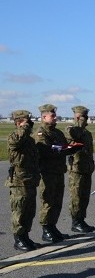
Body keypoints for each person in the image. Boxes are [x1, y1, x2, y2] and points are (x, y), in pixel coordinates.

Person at [34, 104, 79, 242]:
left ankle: (53, 227)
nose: (55, 118)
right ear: (44, 117)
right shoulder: (41, 133)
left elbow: (64, 147)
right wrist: (63, 149)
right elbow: (46, 150)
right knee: (48, 201)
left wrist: (71, 148)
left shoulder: (58, 133)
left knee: (57, 201)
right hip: (47, 172)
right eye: (52, 116)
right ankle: (46, 229)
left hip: (59, 171)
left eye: (55, 115)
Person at [6, 110, 41, 251]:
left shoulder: (29, 140)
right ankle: (18, 239)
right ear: (19, 122)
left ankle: (25, 236)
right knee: (19, 211)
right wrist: (24, 127)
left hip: (30, 179)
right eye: (27, 122)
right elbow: (15, 141)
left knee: (29, 211)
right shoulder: (14, 137)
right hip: (19, 181)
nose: (30, 125)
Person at [66, 105, 95, 233]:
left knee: (84, 196)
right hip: (76, 169)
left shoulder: (87, 133)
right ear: (78, 117)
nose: (86, 119)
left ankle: (81, 219)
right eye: (84, 116)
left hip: (86, 168)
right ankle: (75, 221)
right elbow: (73, 134)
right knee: (76, 197)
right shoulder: (71, 129)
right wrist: (78, 122)